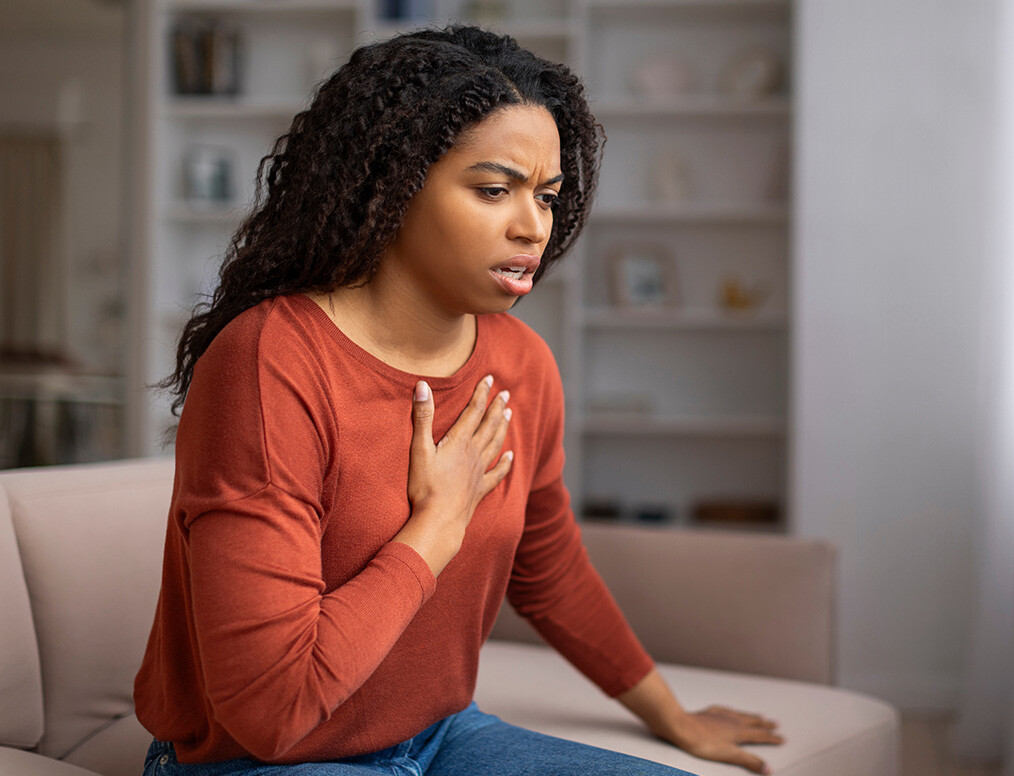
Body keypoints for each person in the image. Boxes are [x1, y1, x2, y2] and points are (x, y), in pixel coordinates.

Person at [134, 25, 783, 776]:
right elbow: (269, 712)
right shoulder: (268, 364)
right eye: (494, 190)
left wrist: (671, 715)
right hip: (253, 763)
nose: (532, 225)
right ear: (393, 183)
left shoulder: (522, 364)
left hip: (441, 738)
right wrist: (435, 527)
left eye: (546, 195)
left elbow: (547, 565)